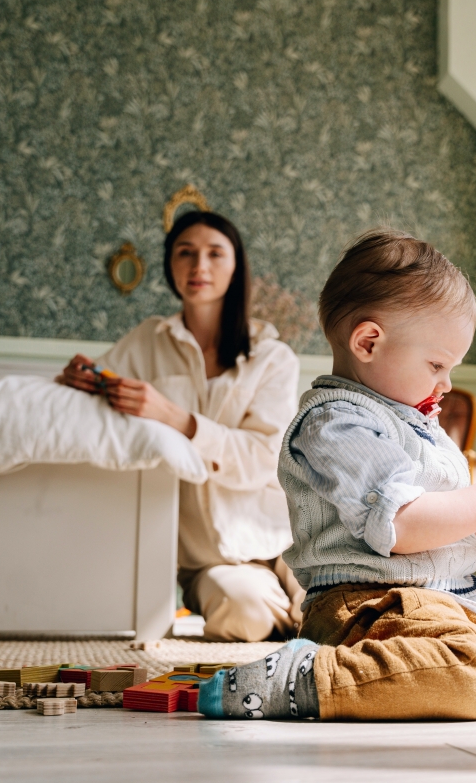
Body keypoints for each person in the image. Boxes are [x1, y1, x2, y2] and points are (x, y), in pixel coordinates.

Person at [197, 228, 476, 721]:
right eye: (437, 363)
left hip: (442, 600)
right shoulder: (336, 422)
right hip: (368, 607)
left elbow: (440, 531)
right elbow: (404, 527)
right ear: (369, 341)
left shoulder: (415, 421)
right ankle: (310, 677)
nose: (446, 383)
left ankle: (432, 666)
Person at [59, 211, 302, 642]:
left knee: (334, 610)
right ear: (170, 265)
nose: (198, 267)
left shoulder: (272, 356)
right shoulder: (148, 341)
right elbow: (101, 386)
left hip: (282, 538)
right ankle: (290, 615)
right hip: (211, 560)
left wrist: (176, 418)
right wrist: (78, 379)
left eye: (214, 254)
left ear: (236, 264)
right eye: (185, 253)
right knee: (243, 618)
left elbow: (265, 459)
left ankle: (300, 608)